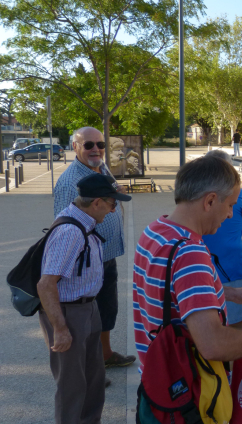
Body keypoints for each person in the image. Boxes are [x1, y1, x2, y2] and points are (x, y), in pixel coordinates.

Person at [132, 156, 242, 373]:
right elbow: (213, 344)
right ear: (210, 201)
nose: (230, 214)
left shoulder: (155, 231)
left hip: (158, 380)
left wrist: (227, 292)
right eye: (230, 205)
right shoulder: (190, 252)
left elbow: (172, 291)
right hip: (190, 388)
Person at [38, 173, 132, 424]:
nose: (113, 211)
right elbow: (46, 284)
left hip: (87, 308)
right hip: (68, 313)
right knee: (72, 387)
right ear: (97, 202)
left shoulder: (85, 223)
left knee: (93, 380)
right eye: (113, 204)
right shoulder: (70, 230)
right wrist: (60, 328)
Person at [54, 127, 136, 369]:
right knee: (86, 315)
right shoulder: (70, 182)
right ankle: (89, 368)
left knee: (106, 309)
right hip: (86, 261)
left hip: (105, 255)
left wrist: (115, 192)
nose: (96, 149)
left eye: (100, 144)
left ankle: (105, 355)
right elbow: (63, 225)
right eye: (88, 145)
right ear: (75, 147)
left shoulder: (99, 166)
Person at [202, 150, 242, 330]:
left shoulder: (196, 194)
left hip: (206, 271)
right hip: (230, 271)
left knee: (208, 327)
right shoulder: (239, 194)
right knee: (235, 327)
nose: (229, 214)